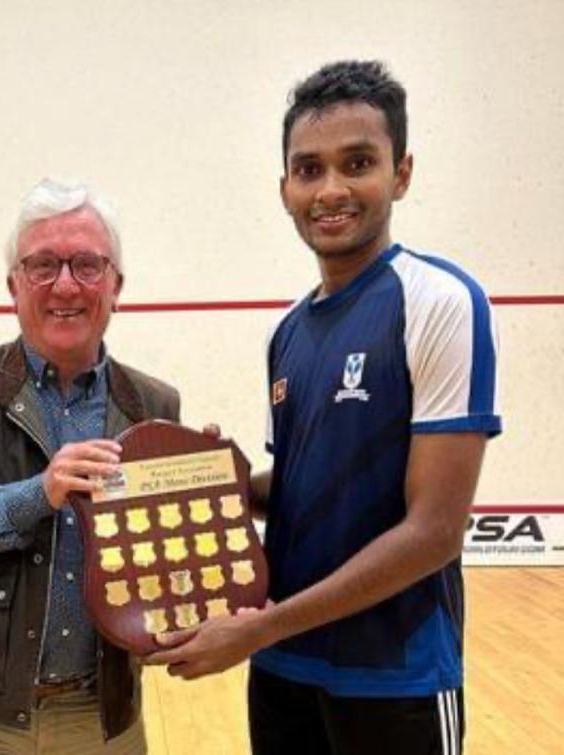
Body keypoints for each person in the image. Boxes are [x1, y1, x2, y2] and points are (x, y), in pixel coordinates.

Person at [148, 60, 501, 754]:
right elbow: (309, 487)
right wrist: (220, 484)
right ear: (284, 188)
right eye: (308, 169)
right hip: (283, 670)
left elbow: (434, 530)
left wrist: (259, 626)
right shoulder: (287, 332)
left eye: (358, 162)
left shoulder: (438, 302)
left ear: (401, 173)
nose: (331, 189)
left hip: (395, 676)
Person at [0, 178, 180, 754]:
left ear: (117, 285)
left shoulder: (156, 405)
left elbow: (165, 560)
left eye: (86, 265)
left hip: (105, 720)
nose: (66, 285)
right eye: (43, 265)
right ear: (13, 285)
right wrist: (38, 493)